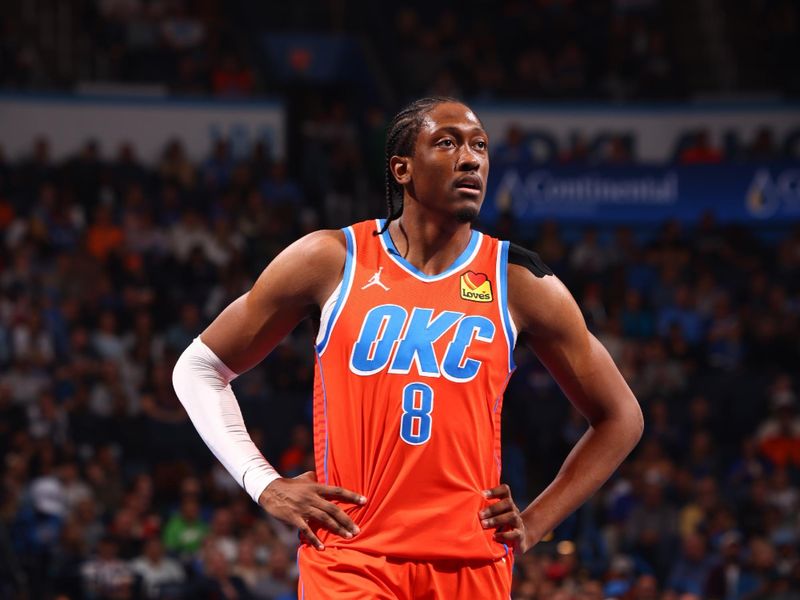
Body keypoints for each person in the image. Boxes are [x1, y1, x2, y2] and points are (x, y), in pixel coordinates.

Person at [172, 96, 643, 598]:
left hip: (471, 564)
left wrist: (533, 522)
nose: (471, 158)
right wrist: (261, 481)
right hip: (353, 557)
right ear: (403, 169)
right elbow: (197, 368)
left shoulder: (519, 280)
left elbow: (621, 418)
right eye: (448, 142)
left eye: (480, 146)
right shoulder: (331, 258)